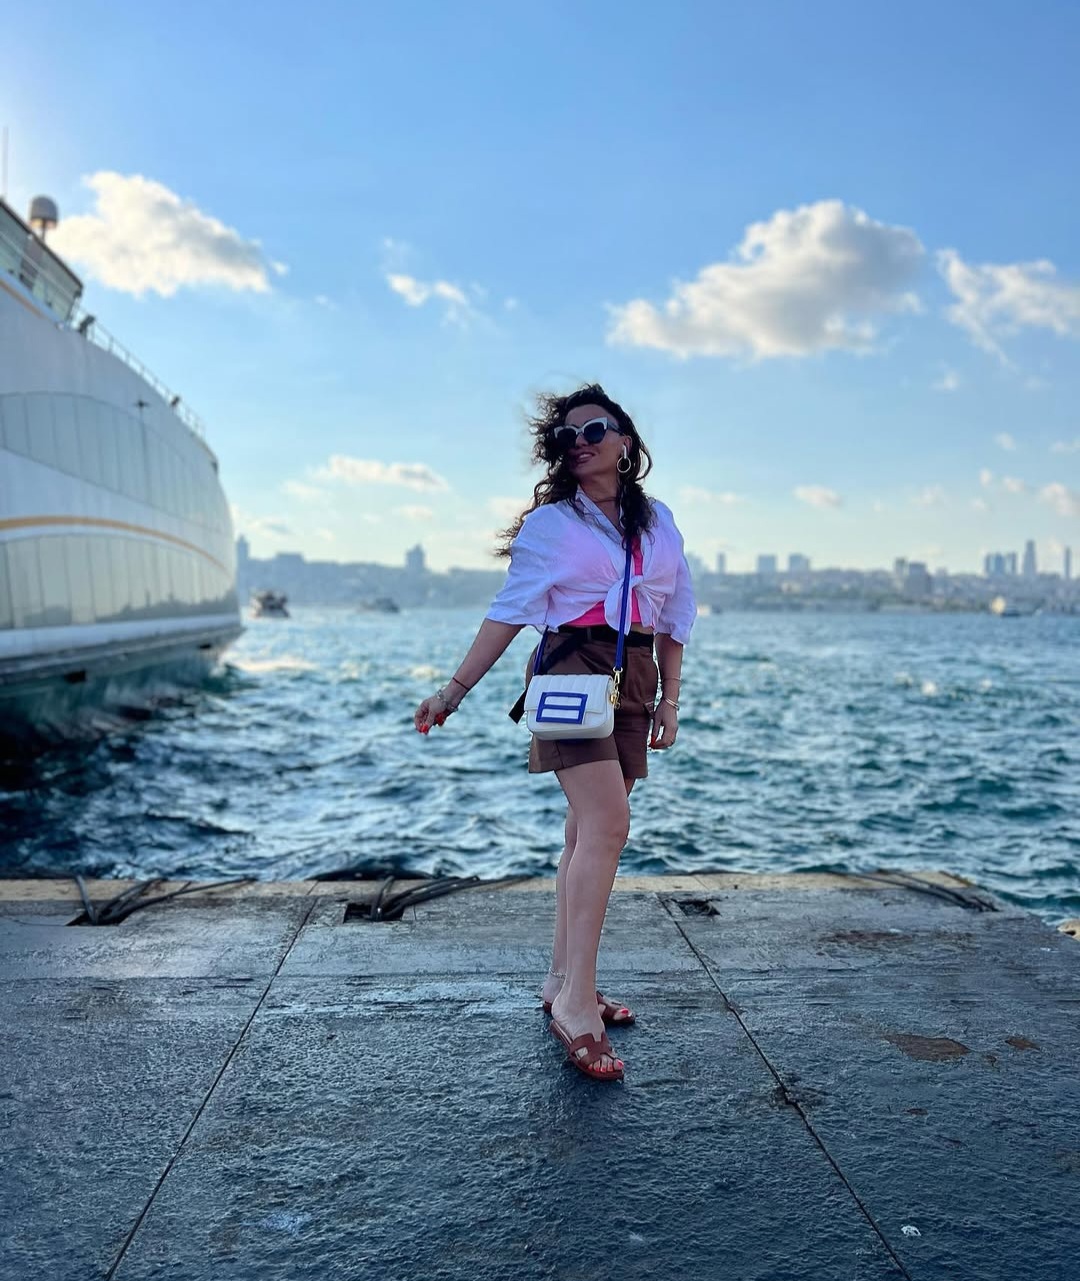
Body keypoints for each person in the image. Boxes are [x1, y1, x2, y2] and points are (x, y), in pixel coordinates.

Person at [413, 383, 695, 1081]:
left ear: (625, 440)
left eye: (594, 430)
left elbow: (675, 613)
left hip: (633, 674)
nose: (581, 443)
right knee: (606, 823)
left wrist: (670, 699)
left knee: (583, 833)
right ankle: (575, 1002)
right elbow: (509, 612)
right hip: (571, 669)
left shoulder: (659, 521)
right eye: (567, 437)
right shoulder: (551, 525)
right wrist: (453, 692)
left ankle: (563, 979)